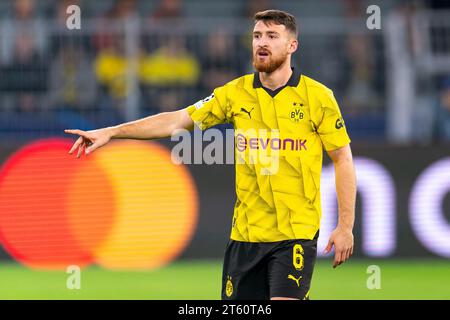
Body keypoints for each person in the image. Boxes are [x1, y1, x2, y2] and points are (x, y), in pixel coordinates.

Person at [65, 10, 356, 300]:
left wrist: (345, 227)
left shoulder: (318, 98)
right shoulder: (235, 93)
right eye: (256, 36)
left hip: (295, 234)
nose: (261, 43)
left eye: (271, 36)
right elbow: (177, 120)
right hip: (245, 237)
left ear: (292, 45)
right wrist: (113, 132)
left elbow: (342, 159)